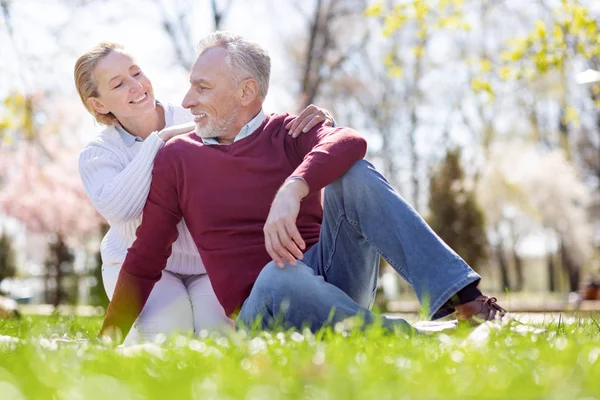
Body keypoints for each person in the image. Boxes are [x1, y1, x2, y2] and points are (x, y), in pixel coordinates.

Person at [100, 32, 506, 340]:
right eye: (191, 85)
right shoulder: (179, 157)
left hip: (334, 280)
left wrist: (293, 188)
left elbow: (350, 142)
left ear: (246, 92)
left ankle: (468, 303)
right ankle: (414, 340)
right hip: (264, 309)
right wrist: (108, 340)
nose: (187, 100)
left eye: (202, 87)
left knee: (354, 173)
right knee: (279, 276)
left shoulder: (289, 131)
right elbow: (145, 256)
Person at [74, 42, 336, 343]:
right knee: (168, 331)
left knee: (220, 337)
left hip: (206, 264)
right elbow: (121, 209)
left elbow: (247, 122)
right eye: (119, 84)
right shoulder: (99, 154)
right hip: (138, 263)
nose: (136, 86)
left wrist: (319, 122)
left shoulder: (193, 117)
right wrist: (159, 143)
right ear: (98, 105)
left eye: (136, 72)